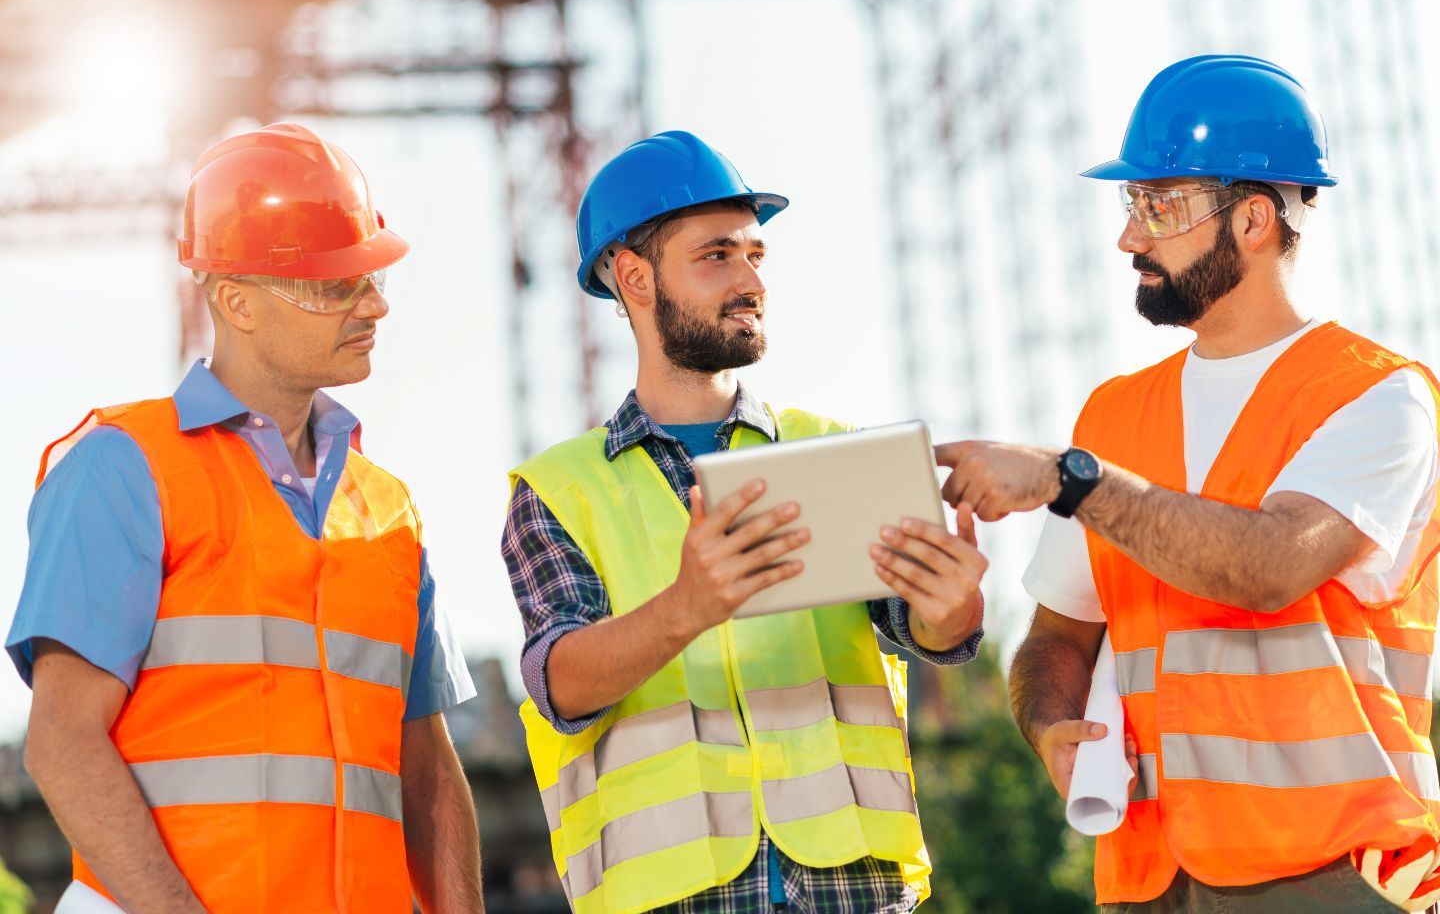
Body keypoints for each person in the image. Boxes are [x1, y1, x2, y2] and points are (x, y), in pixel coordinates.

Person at [935, 55, 1440, 912]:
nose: (1130, 237)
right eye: (1131, 205)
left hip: (1330, 872)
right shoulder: (1114, 418)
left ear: (1251, 219)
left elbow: (1270, 564)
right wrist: (1051, 726)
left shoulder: (1376, 395)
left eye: (1158, 206)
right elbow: (1060, 637)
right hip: (1150, 877)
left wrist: (1069, 479)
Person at [502, 130, 987, 913]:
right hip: (674, 898)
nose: (751, 279)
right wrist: (685, 608)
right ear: (634, 277)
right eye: (717, 256)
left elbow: (923, 629)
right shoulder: (560, 489)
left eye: (756, 255)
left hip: (853, 889)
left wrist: (952, 604)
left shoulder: (832, 449)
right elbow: (560, 683)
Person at [9, 123, 484, 914]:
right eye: (339, 285)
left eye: (371, 276)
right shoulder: (124, 467)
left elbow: (425, 764)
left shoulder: (390, 511)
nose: (377, 304)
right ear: (237, 302)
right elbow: (62, 744)